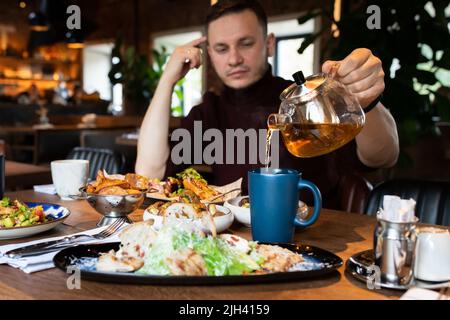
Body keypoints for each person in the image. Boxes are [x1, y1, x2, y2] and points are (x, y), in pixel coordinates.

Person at [136, 0, 399, 209]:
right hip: (234, 246)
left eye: (246, 43)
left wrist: (366, 100)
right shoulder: (208, 112)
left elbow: (383, 157)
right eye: (221, 48)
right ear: (210, 54)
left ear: (269, 44)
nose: (234, 59)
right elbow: (149, 174)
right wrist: (167, 80)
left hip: (314, 239)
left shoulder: (306, 100)